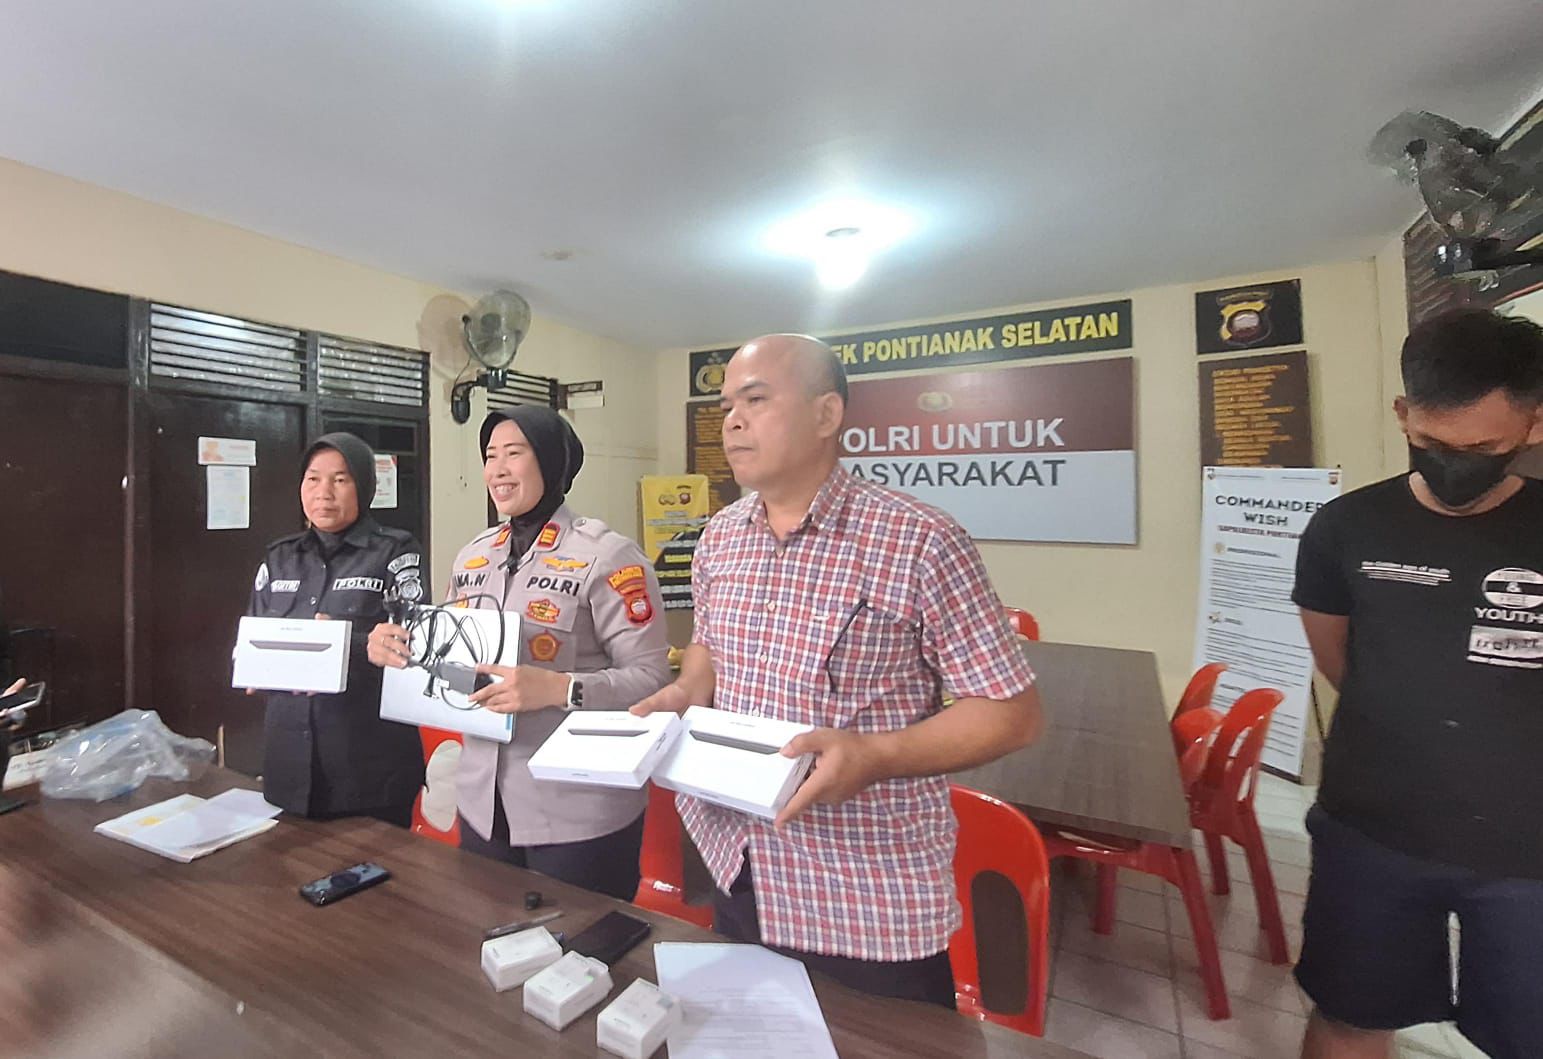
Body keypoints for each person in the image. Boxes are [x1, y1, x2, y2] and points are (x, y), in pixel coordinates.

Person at [632, 334, 1042, 1005]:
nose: (730, 419)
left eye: (755, 400)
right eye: (726, 403)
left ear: (826, 416)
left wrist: (874, 754)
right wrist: (684, 690)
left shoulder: (921, 540)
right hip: (737, 862)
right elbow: (708, 644)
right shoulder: (717, 537)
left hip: (865, 898)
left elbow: (1012, 712)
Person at [1292, 309, 1543, 1059]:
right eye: (1430, 443)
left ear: (1533, 423)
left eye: (1482, 447)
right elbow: (1340, 661)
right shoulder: (1344, 527)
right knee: (1348, 1015)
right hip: (1372, 828)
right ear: (1402, 413)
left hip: (1530, 853)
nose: (1453, 463)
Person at [367, 407, 670, 900]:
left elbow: (654, 679)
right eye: (490, 456)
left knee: (581, 961)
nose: (498, 469)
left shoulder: (608, 555)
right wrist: (401, 647)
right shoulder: (474, 556)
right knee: (493, 946)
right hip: (484, 803)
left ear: (551, 462)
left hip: (578, 811)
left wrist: (561, 688)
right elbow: (456, 661)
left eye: (515, 453)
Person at [247, 433, 425, 825]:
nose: (324, 492)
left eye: (340, 479)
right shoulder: (280, 557)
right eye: (313, 479)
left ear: (363, 486)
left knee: (378, 880)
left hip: (368, 768)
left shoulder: (396, 551)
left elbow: (411, 645)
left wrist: (345, 643)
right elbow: (254, 638)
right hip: (288, 762)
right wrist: (253, 662)